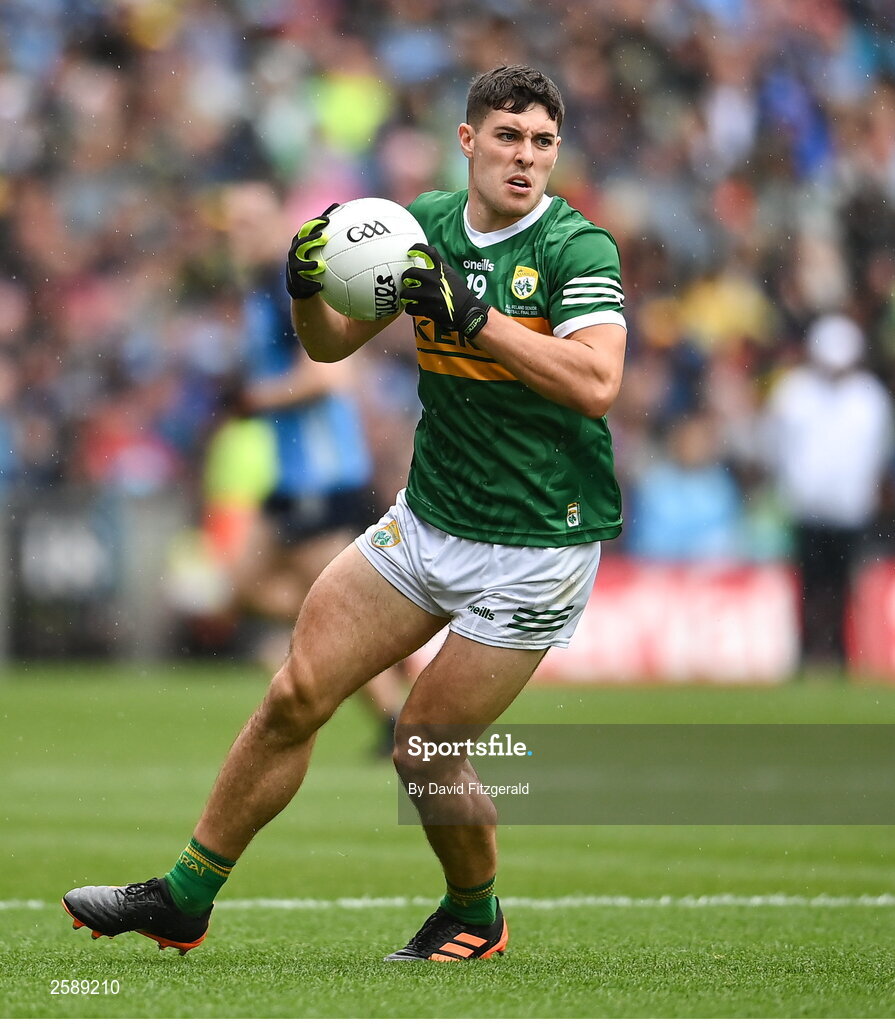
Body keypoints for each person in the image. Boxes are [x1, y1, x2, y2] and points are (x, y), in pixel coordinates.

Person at [62, 65, 627, 962]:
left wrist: (474, 316)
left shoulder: (575, 248)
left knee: (421, 752)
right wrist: (302, 286)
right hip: (429, 519)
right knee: (294, 694)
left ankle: (475, 916)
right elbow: (329, 346)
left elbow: (598, 385)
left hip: (538, 545)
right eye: (509, 137)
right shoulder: (421, 229)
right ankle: (184, 896)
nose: (526, 158)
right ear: (467, 140)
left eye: (543, 143)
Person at [220, 182, 404, 748]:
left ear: (278, 224)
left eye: (251, 222)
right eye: (233, 225)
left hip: (321, 479)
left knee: (327, 611)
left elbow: (331, 375)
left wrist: (257, 400)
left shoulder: (286, 286)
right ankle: (385, 677)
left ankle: (397, 713)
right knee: (243, 591)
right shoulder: (258, 289)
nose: (239, 236)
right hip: (291, 479)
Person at [763, 313, 894, 669]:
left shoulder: (870, 399)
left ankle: (841, 652)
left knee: (843, 588)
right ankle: (807, 653)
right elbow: (776, 446)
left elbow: (876, 457)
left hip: (851, 511)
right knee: (809, 586)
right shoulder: (795, 392)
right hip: (808, 509)